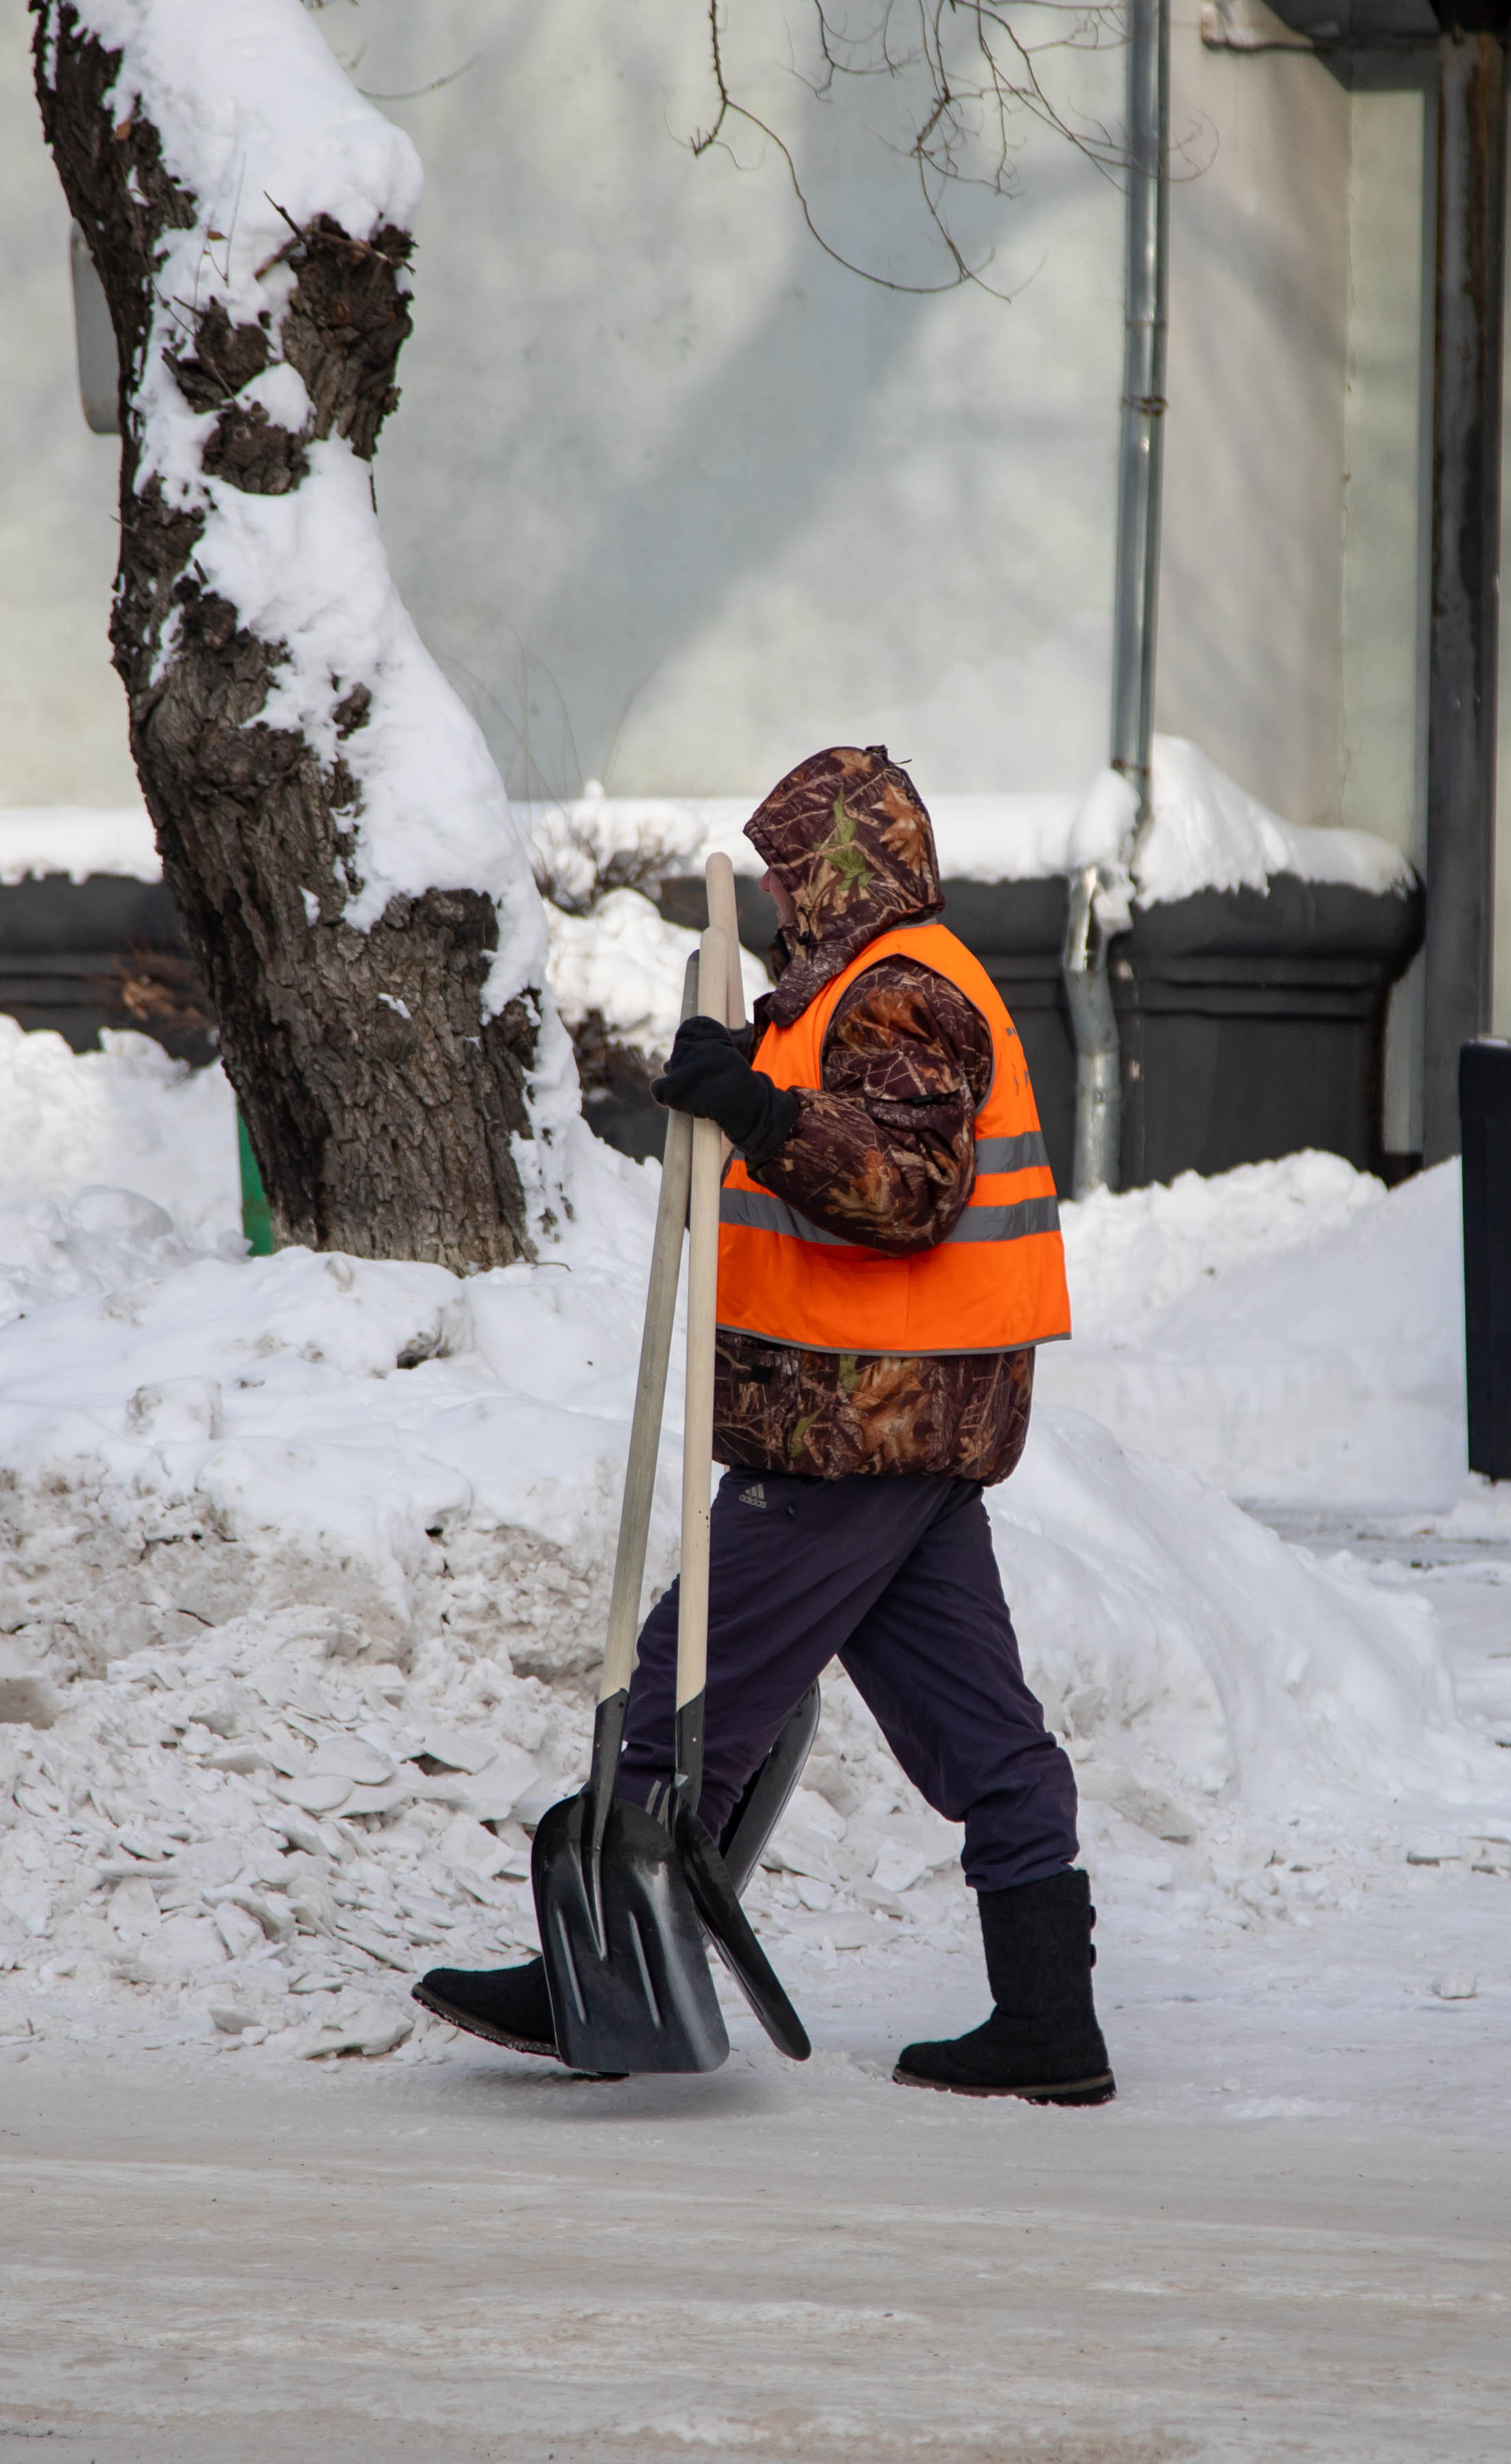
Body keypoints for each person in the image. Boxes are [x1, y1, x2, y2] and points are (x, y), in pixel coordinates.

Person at [415, 744, 1108, 2104]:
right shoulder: (856, 989)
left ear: (844, 871)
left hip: (857, 1422)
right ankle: (1050, 2024)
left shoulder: (902, 990)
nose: (780, 893)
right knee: (983, 1734)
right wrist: (758, 1073)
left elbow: (903, 1188)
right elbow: (845, 1117)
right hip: (897, 1424)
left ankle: (601, 1985)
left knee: (688, 1689)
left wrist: (759, 1109)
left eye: (794, 870)